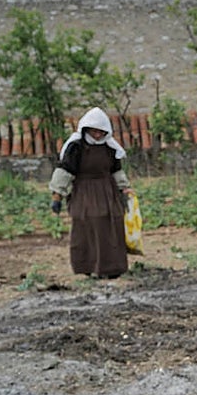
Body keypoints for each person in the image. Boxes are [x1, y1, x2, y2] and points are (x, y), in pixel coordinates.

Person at [49, 106, 133, 279]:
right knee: (88, 224)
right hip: (84, 192)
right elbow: (65, 171)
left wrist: (124, 189)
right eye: (94, 131)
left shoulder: (110, 148)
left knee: (113, 223)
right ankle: (88, 266)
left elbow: (116, 170)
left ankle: (113, 268)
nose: (97, 135)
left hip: (108, 191)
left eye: (100, 132)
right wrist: (57, 195)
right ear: (86, 129)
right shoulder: (76, 147)